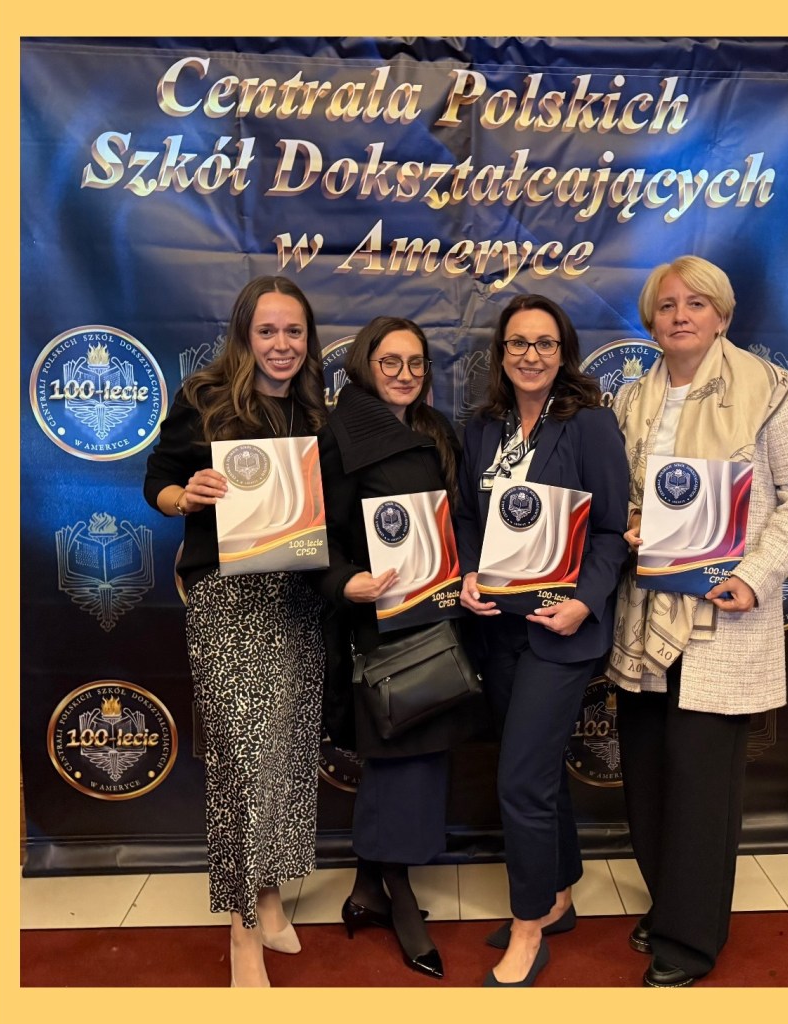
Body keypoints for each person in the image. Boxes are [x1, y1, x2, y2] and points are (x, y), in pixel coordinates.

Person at [606, 255, 788, 987]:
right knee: (648, 777)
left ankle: (690, 940)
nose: (680, 315)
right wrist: (629, 520)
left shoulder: (772, 389)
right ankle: (670, 902)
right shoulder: (630, 399)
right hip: (644, 616)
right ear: (651, 319)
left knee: (702, 785)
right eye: (667, 304)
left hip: (721, 619)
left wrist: (755, 576)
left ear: (723, 315)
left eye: (696, 303)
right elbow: (624, 494)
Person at [143, 275, 328, 987]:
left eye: (294, 331)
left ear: (308, 339)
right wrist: (184, 496)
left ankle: (272, 898)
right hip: (228, 600)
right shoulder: (204, 399)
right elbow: (157, 482)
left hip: (299, 600)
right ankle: (242, 935)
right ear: (244, 335)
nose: (282, 344)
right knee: (242, 766)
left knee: (284, 757)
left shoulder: (317, 408)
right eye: (268, 330)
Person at [456, 293, 630, 987]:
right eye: (518, 343)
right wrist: (469, 570)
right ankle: (557, 894)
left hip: (560, 633)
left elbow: (612, 530)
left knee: (521, 781)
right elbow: (467, 516)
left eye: (545, 343)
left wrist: (585, 603)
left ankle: (528, 928)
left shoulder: (589, 424)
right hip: (497, 630)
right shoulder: (483, 427)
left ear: (564, 353)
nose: (531, 355)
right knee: (537, 770)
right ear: (501, 353)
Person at [316, 315, 475, 981]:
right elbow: (315, 532)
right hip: (375, 626)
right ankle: (397, 893)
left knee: (416, 758)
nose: (405, 374)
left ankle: (366, 887)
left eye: (416, 363)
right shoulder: (340, 436)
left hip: (436, 618)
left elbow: (459, 521)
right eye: (390, 362)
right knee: (398, 758)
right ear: (364, 365)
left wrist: (470, 574)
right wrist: (343, 581)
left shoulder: (436, 431)